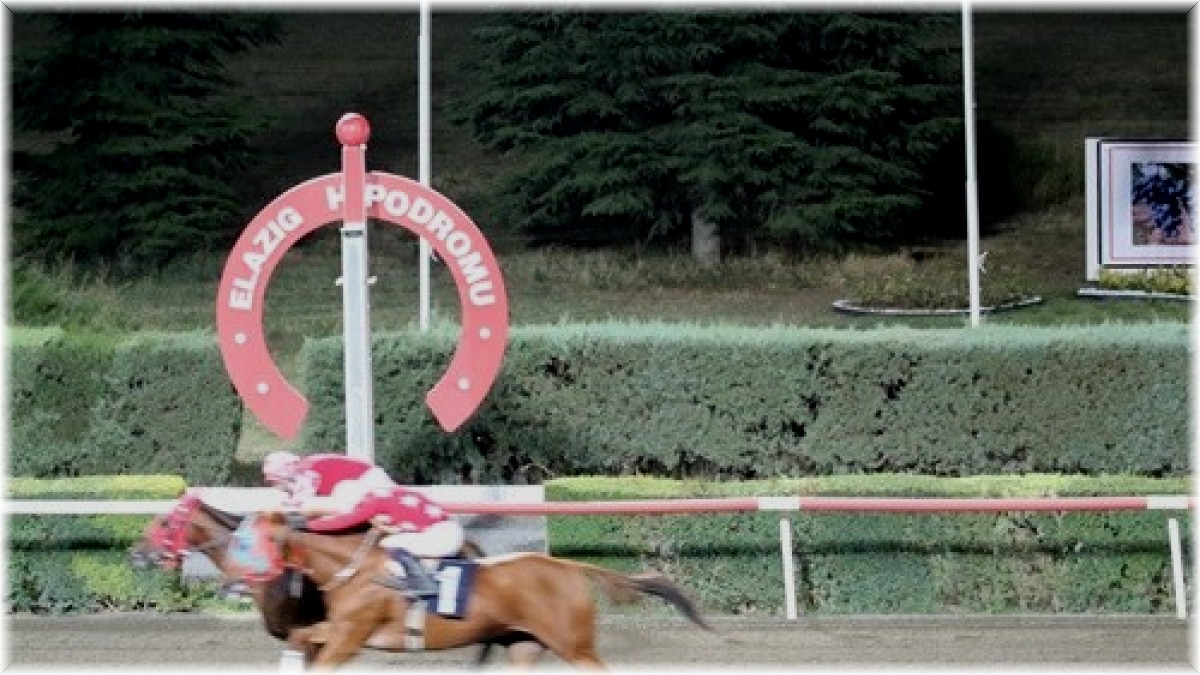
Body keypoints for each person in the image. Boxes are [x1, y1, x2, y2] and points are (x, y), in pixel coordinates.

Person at [261, 451, 464, 596]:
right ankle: (423, 573)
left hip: (443, 535)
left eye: (273, 481)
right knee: (392, 533)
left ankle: (422, 582)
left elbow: (340, 519)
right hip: (447, 528)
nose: (274, 485)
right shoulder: (385, 494)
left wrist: (305, 525)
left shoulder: (368, 498)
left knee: (388, 543)